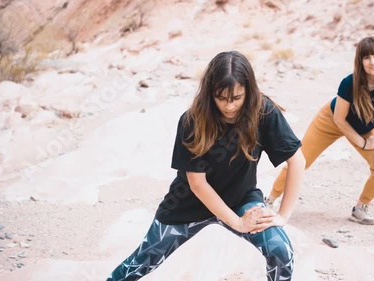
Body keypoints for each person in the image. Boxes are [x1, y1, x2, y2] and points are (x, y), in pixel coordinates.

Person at [107, 51, 305, 281]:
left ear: (248, 91)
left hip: (242, 200)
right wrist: (237, 223)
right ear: (210, 92)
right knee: (138, 264)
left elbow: (297, 160)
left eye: (237, 97)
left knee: (281, 251)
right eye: (221, 98)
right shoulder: (192, 120)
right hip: (187, 203)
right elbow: (197, 183)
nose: (229, 106)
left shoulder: (264, 111)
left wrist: (283, 215)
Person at [265, 36, 374, 225]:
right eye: (367, 57)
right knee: (300, 160)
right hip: (331, 121)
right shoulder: (349, 83)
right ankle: (269, 200)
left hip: (366, 127)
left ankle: (360, 208)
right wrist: (363, 143)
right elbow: (339, 119)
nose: (373, 62)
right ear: (360, 61)